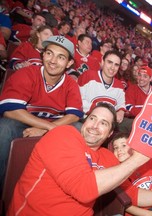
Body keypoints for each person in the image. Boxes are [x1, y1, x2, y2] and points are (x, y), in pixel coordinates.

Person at [8, 103, 152, 215]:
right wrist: (138, 159)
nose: (94, 126)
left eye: (103, 123)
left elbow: (133, 196)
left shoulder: (107, 157)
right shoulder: (62, 135)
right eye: (92, 119)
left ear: (110, 133)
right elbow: (83, 189)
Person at [0, 35, 83, 193]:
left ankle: (59, 190)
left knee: (78, 129)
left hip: (53, 129)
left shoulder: (71, 84)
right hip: (23, 124)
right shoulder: (27, 73)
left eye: (61, 57)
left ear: (69, 63)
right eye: (49, 53)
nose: (53, 61)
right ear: (43, 54)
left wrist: (45, 131)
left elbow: (74, 116)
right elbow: (10, 110)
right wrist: (49, 127)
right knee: (4, 128)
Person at [112, 132, 152, 216]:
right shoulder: (118, 172)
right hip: (140, 211)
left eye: (123, 145)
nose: (119, 150)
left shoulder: (149, 161)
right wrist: (150, 214)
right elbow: (126, 204)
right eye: (115, 148)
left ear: (134, 147)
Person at [78, 50, 125, 123]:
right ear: (102, 62)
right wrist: (100, 110)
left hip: (109, 122)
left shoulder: (120, 85)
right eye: (109, 62)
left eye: (116, 65)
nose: (112, 67)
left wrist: (121, 111)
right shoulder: (88, 76)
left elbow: (121, 104)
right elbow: (78, 100)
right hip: (86, 118)